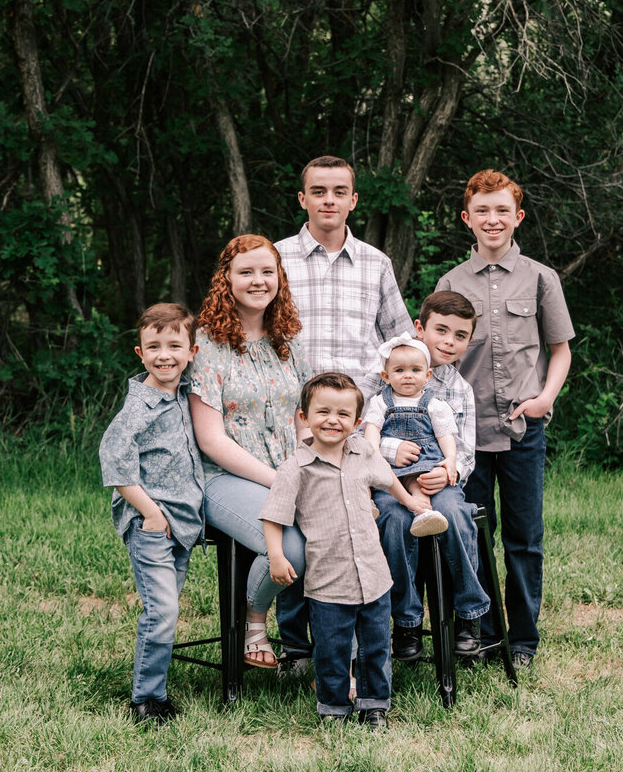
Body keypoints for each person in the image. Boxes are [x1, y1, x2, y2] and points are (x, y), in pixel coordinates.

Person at [273, 154, 415, 667]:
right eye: (318, 191)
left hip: (358, 425)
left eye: (339, 191)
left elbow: (401, 342)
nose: (328, 200)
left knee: (363, 523)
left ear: (354, 200)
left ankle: (368, 639)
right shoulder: (279, 258)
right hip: (299, 422)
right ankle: (298, 644)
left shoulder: (376, 263)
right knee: (303, 523)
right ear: (302, 198)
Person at [435, 169, 575, 671]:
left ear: (517, 217)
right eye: (482, 211)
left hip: (522, 430)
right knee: (472, 534)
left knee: (523, 536)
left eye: (501, 211)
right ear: (466, 219)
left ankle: (524, 640)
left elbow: (560, 351)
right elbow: (439, 353)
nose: (491, 220)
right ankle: (483, 635)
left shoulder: (540, 278)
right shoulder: (451, 282)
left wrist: (544, 399)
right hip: (468, 437)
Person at [260, 372, 433, 728]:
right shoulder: (295, 469)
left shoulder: (362, 451)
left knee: (375, 645)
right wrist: (277, 556)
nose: (332, 420)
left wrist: (412, 502)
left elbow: (387, 477)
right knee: (332, 648)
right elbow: (273, 516)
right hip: (328, 580)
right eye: (323, 412)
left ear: (355, 423)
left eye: (342, 415)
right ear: (304, 417)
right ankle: (334, 708)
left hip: (373, 575)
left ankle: (374, 705)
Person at [188, 234, 313, 669]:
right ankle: (253, 617)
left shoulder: (290, 342)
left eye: (267, 271)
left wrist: (304, 469)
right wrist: (278, 480)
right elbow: (211, 440)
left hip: (290, 470)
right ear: (227, 279)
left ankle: (340, 654)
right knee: (292, 547)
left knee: (337, 526)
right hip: (224, 479)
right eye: (246, 272)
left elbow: (305, 419)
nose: (258, 281)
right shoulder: (206, 346)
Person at [358, 292, 491, 660]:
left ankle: (469, 614)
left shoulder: (459, 390)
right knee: (394, 521)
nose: (449, 342)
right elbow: (355, 432)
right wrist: (390, 450)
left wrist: (448, 470)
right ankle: (407, 622)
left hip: (440, 480)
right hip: (392, 482)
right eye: (441, 331)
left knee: (457, 516)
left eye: (460, 336)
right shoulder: (380, 378)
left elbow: (465, 449)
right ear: (420, 329)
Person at [99, 303, 204, 725]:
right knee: (163, 612)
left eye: (174, 345)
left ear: (191, 351)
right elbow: (115, 464)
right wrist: (152, 514)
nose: (165, 355)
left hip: (181, 524)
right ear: (139, 353)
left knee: (167, 608)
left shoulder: (182, 393)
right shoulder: (137, 409)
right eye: (154, 346)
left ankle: (156, 691)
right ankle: (145, 699)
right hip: (153, 527)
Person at [362, 333, 454, 538]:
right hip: (389, 466)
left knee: (418, 481)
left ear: (428, 375)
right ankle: (365, 503)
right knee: (369, 475)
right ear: (386, 376)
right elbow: (372, 429)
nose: (408, 375)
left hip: (421, 461)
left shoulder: (433, 404)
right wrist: (375, 454)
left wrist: (451, 459)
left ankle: (423, 513)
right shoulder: (381, 401)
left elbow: (445, 434)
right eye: (399, 370)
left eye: (415, 370)